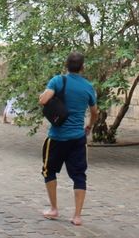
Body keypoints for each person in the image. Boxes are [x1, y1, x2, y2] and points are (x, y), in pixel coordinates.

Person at [38, 51, 98, 226]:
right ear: (83, 68)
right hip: (78, 138)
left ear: (65, 66)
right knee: (79, 175)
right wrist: (89, 127)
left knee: (49, 170)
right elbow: (94, 113)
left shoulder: (58, 81)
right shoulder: (88, 87)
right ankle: (77, 216)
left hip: (56, 137)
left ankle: (54, 208)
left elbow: (43, 100)